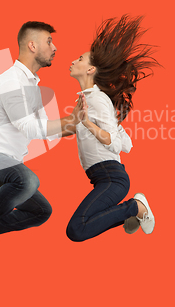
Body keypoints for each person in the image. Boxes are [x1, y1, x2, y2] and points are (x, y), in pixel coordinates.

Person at [0, 21, 76, 262]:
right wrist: (71, 120)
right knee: (28, 180)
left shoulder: (32, 86)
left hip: (6, 170)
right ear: (32, 45)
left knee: (41, 211)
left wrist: (81, 124)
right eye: (49, 41)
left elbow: (46, 131)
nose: (54, 47)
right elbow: (28, 127)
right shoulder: (11, 81)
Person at [66, 15, 160, 242]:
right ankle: (130, 213)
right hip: (103, 177)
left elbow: (116, 144)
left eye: (80, 59)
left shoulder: (97, 100)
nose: (74, 61)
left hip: (111, 177)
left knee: (76, 230)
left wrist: (87, 123)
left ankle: (135, 207)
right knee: (82, 226)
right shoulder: (89, 100)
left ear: (90, 70)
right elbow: (125, 143)